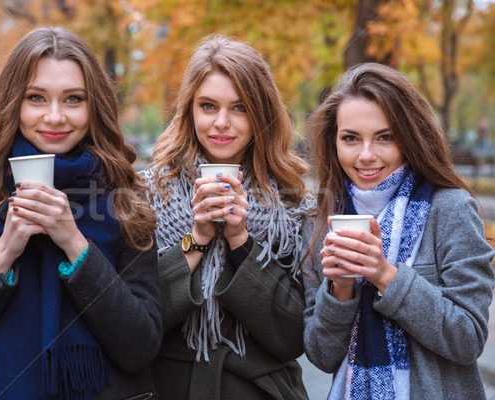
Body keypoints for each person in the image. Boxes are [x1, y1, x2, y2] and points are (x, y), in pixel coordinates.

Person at [0, 27, 162, 400]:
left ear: (93, 105)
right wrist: (4, 254)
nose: (54, 116)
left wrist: (75, 244)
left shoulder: (124, 194)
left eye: (73, 99)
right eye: (36, 98)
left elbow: (140, 346)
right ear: (13, 102)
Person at [303, 62, 495, 399]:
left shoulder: (450, 210)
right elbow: (321, 355)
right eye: (350, 138)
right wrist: (340, 289)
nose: (366, 155)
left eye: (384, 137)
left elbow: (468, 339)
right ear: (333, 142)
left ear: (408, 138)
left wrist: (384, 275)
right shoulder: (320, 223)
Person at [141, 34, 316, 399]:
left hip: (262, 389)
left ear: (262, 114)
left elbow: (294, 334)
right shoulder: (149, 194)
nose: (222, 122)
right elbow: (137, 321)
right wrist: (198, 237)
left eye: (239, 108)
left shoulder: (295, 203)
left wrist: (240, 239)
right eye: (208, 106)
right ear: (189, 109)